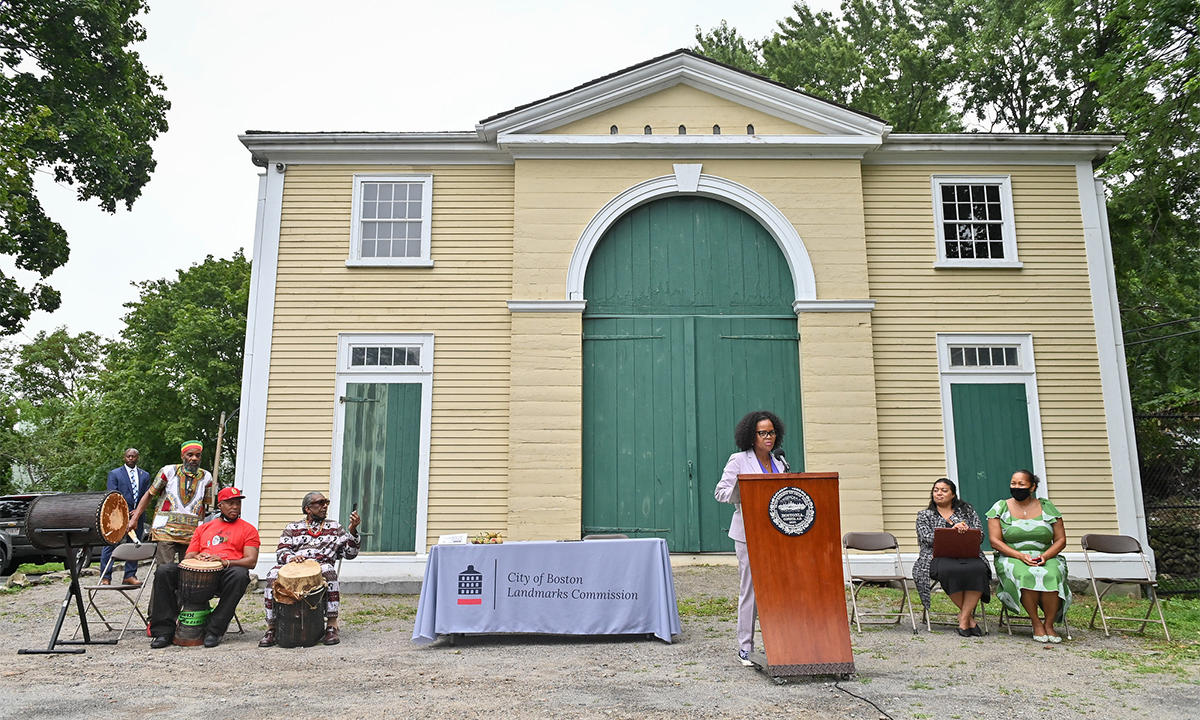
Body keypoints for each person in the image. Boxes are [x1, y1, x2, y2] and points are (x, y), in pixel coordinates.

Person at [714, 410, 789, 667]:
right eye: (763, 433)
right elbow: (720, 492)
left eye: (772, 432)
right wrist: (740, 489)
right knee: (751, 590)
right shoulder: (738, 460)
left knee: (777, 589)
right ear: (751, 435)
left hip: (776, 534)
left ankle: (778, 644)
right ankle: (745, 647)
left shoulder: (780, 463)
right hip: (748, 534)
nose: (768, 437)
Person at [148, 486, 260, 648]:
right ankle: (164, 632)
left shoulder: (248, 529)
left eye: (238, 503)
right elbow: (188, 557)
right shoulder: (204, 528)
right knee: (164, 571)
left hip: (224, 576)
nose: (235, 507)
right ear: (220, 505)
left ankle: (214, 630)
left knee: (240, 575)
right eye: (230, 503)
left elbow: (251, 561)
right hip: (196, 575)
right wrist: (198, 557)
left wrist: (226, 562)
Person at [259, 492, 362, 647]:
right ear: (308, 509)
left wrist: (353, 530)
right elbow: (281, 551)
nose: (325, 506)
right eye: (320, 503)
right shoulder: (292, 527)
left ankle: (332, 625)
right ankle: (271, 628)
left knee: (329, 571)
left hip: (321, 566)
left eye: (326, 502)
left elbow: (350, 554)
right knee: (273, 575)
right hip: (294, 566)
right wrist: (291, 558)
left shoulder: (335, 527)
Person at [986, 469, 1070, 643]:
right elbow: (995, 541)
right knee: (1025, 574)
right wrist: (1019, 556)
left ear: (1032, 487)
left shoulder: (1047, 507)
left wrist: (1045, 556)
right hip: (1011, 556)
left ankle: (1049, 624)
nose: (1016, 487)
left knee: (1052, 574)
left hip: (1046, 556)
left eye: (1021, 484)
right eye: (1013, 483)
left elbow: (1061, 540)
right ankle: (1036, 622)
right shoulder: (1000, 508)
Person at [912, 478, 991, 636]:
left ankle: (963, 618)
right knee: (949, 571)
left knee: (979, 569)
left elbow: (980, 535)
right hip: (936, 557)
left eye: (944, 490)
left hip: (967, 555)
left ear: (953, 494)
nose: (939, 493)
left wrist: (966, 531)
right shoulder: (925, 515)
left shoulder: (967, 512)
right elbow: (926, 538)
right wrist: (951, 531)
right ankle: (968, 619)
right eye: (936, 490)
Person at [128, 440, 217, 567]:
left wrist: (202, 531)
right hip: (165, 530)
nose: (194, 458)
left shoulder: (206, 477)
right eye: (190, 455)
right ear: (182, 456)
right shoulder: (168, 471)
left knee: (188, 569)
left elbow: (204, 506)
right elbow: (149, 494)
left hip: (191, 532)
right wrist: (135, 518)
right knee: (164, 570)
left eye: (198, 455)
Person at [100, 448, 151, 585]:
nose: (131, 458)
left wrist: (138, 511)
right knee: (110, 544)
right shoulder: (115, 474)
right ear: (124, 457)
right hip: (118, 516)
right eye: (128, 456)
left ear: (137, 458)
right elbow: (112, 495)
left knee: (134, 545)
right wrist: (123, 511)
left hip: (137, 515)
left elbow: (147, 495)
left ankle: (130, 575)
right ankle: (105, 577)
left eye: (133, 456)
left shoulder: (145, 475)